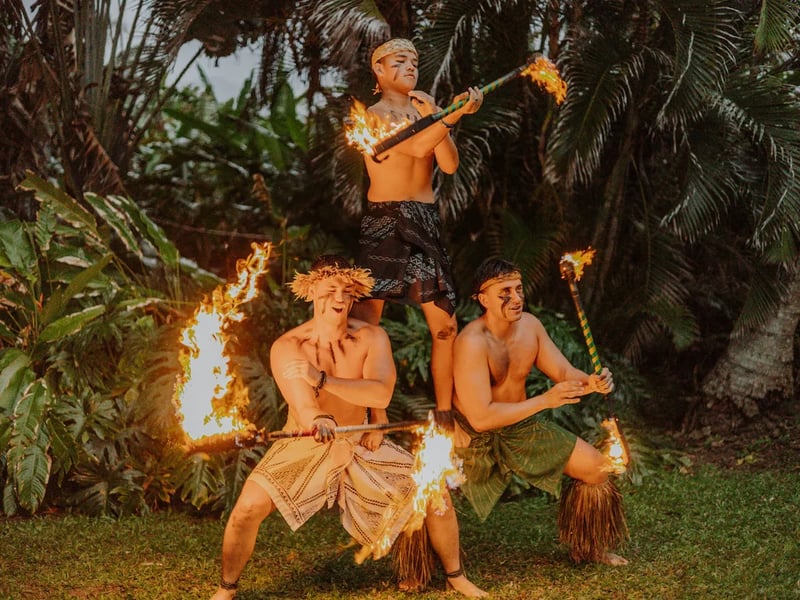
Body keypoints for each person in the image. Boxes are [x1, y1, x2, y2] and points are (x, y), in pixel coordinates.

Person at [209, 255, 487, 599]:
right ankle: (226, 589)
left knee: (436, 493)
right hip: (306, 441)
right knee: (247, 509)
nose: (339, 299)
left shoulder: (372, 338)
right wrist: (320, 419)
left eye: (346, 291)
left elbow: (380, 392)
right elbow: (305, 405)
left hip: (360, 439)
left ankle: (455, 576)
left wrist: (324, 381)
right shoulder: (288, 347)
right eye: (329, 291)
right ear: (311, 291)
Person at [451, 257, 629, 566]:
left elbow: (562, 372)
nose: (516, 298)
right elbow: (480, 418)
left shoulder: (531, 326)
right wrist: (546, 401)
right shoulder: (471, 342)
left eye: (519, 289)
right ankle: (427, 566)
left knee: (596, 467)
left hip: (520, 426)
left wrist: (590, 382)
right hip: (471, 435)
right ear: (483, 299)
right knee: (430, 489)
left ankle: (588, 549)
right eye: (505, 292)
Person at [351, 38, 484, 428]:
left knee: (445, 325)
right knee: (367, 323)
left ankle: (443, 411)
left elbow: (449, 163)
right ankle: (371, 411)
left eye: (414, 60)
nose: (410, 66)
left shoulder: (426, 109)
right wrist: (449, 117)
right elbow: (413, 148)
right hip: (385, 219)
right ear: (379, 70)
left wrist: (443, 116)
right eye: (400, 60)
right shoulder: (371, 115)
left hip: (424, 218)